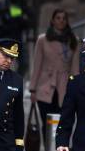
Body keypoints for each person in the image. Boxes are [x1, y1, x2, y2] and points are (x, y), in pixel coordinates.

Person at [29, 9, 80, 142]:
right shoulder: (42, 39)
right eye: (58, 18)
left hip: (65, 87)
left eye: (64, 18)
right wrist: (33, 89)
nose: (61, 21)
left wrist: (77, 89)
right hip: (44, 87)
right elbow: (37, 65)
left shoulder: (73, 40)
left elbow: (75, 68)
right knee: (47, 123)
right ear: (52, 20)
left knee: (63, 123)